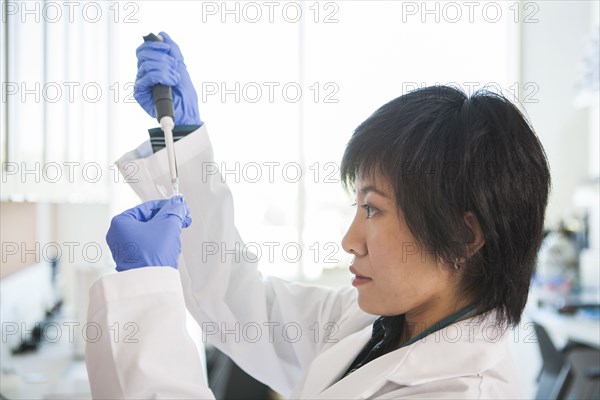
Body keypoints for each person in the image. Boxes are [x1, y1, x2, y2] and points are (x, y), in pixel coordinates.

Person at [85, 32, 551, 399]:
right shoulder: (374, 325)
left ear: (465, 236)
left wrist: (145, 302)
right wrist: (184, 146)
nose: (350, 239)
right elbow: (237, 303)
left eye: (373, 209)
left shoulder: (460, 393)